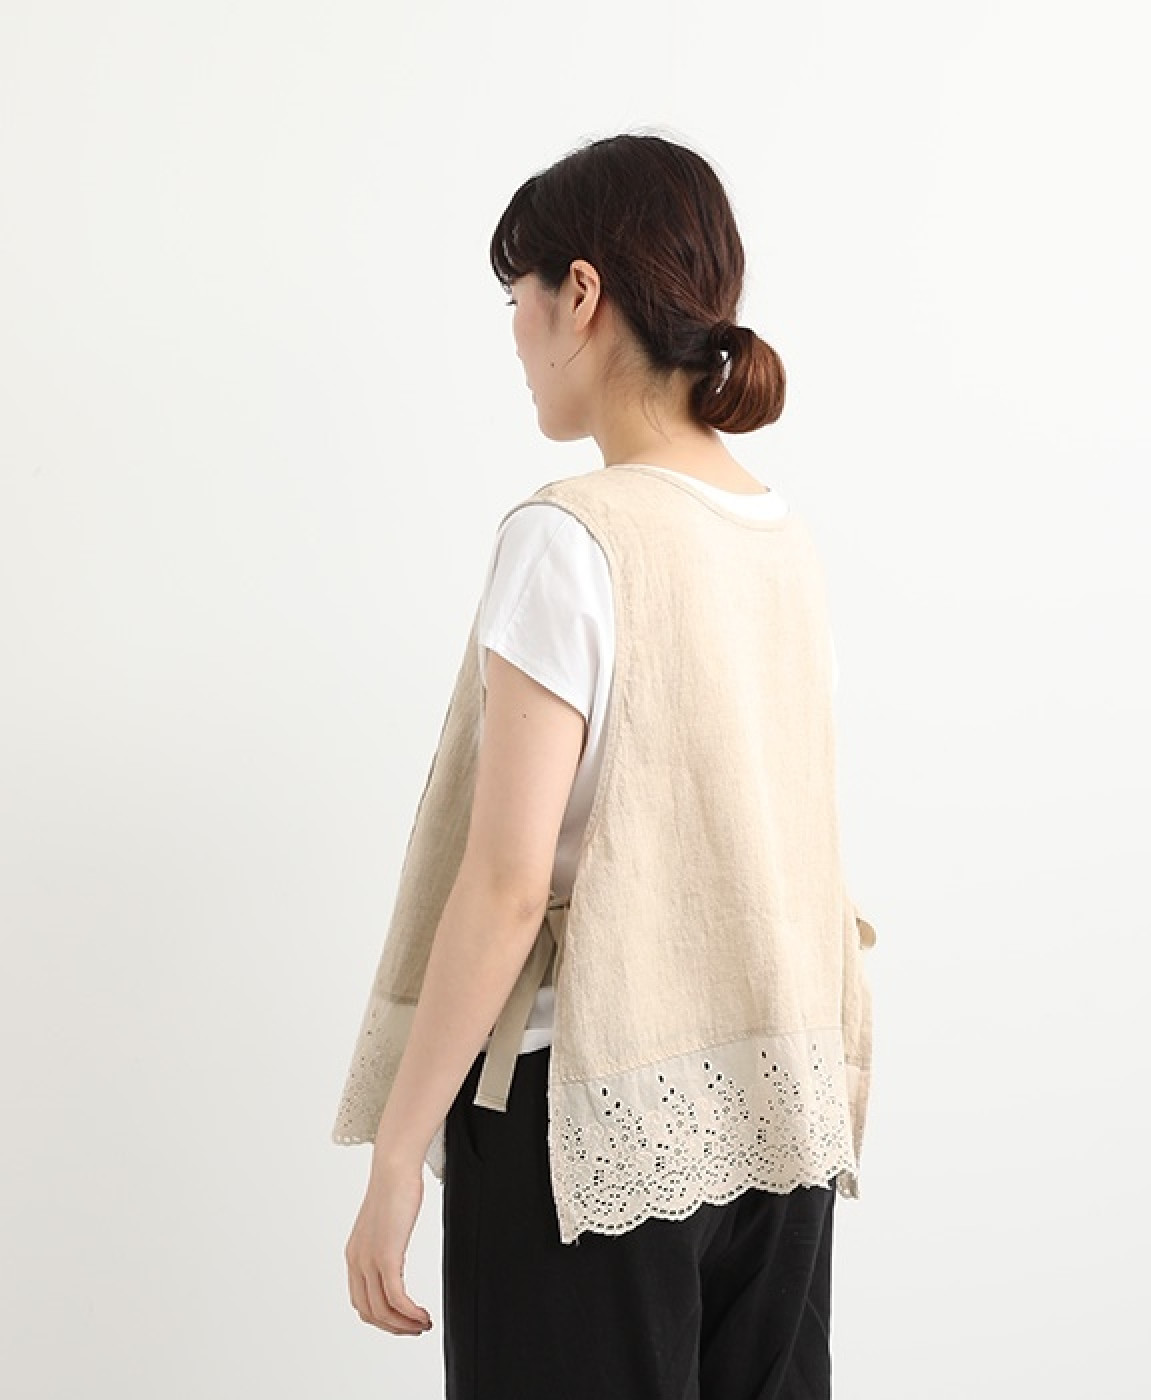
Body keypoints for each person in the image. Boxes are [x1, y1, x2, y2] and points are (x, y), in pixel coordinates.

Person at [334, 130, 878, 1400]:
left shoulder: (570, 538)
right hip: (779, 1101)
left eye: (517, 298)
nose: (515, 335)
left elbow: (506, 883)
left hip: (583, 1119)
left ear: (580, 294)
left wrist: (398, 1153)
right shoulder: (781, 539)